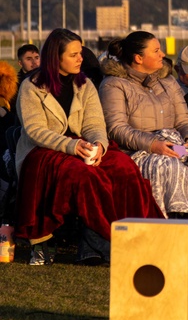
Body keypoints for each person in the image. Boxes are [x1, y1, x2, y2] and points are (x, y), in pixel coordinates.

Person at [14, 28, 162, 265]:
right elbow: (35, 130)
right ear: (56, 57)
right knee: (84, 176)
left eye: (80, 53)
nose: (80, 58)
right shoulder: (32, 87)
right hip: (43, 151)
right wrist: (72, 146)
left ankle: (146, 235)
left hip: (82, 145)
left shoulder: (85, 85)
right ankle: (108, 240)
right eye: (73, 55)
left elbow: (94, 123)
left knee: (124, 166)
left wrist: (99, 145)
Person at [99, 31, 188, 262]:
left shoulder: (167, 82)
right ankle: (163, 241)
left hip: (174, 147)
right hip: (138, 152)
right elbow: (117, 129)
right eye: (156, 50)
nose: (163, 54)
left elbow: (184, 120)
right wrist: (153, 144)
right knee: (165, 166)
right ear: (139, 58)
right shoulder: (114, 85)